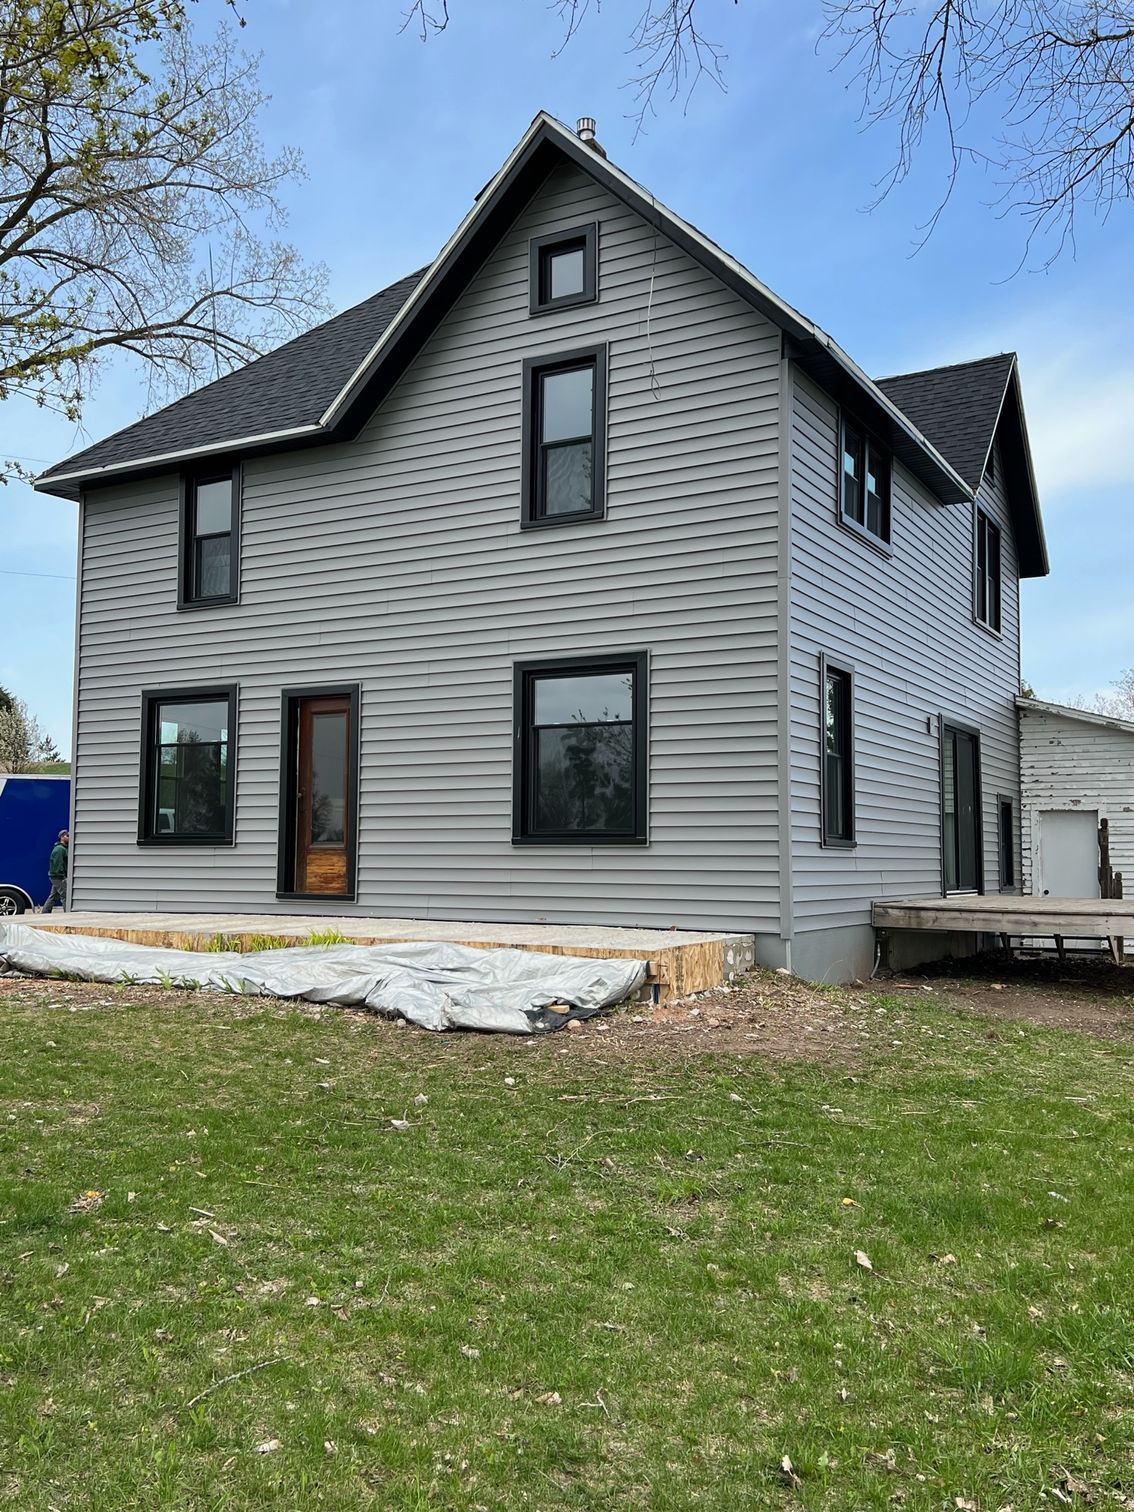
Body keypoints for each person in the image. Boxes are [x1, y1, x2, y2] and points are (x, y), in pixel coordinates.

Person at [43, 829, 69, 913]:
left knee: (54, 895)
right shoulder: (60, 849)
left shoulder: (64, 848)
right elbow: (57, 864)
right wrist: (62, 876)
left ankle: (45, 912)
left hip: (56, 876)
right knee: (65, 896)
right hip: (58, 876)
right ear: (62, 837)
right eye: (67, 836)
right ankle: (68, 914)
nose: (69, 838)